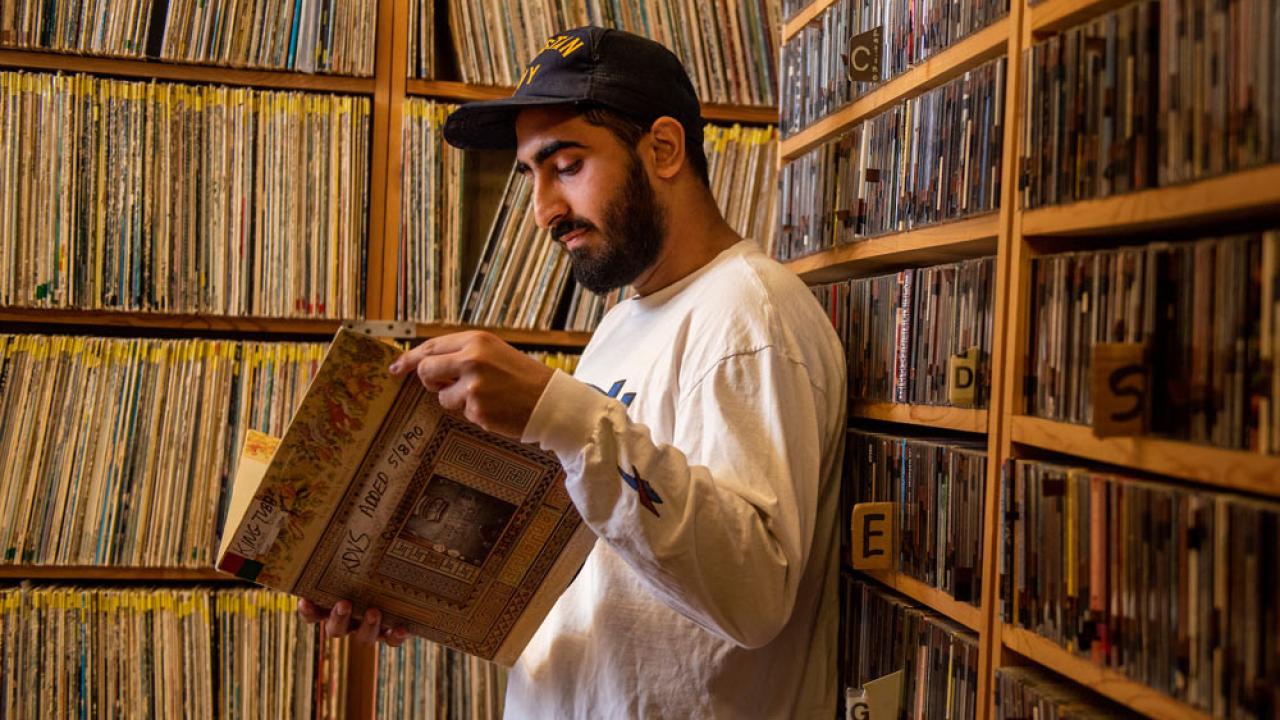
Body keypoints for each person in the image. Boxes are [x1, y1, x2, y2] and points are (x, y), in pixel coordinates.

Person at [299, 26, 847, 719]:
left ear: (665, 149)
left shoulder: (750, 316)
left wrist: (561, 412)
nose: (542, 213)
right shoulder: (623, 323)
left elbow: (755, 594)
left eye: (565, 165)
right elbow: (602, 562)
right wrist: (394, 583)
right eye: (531, 175)